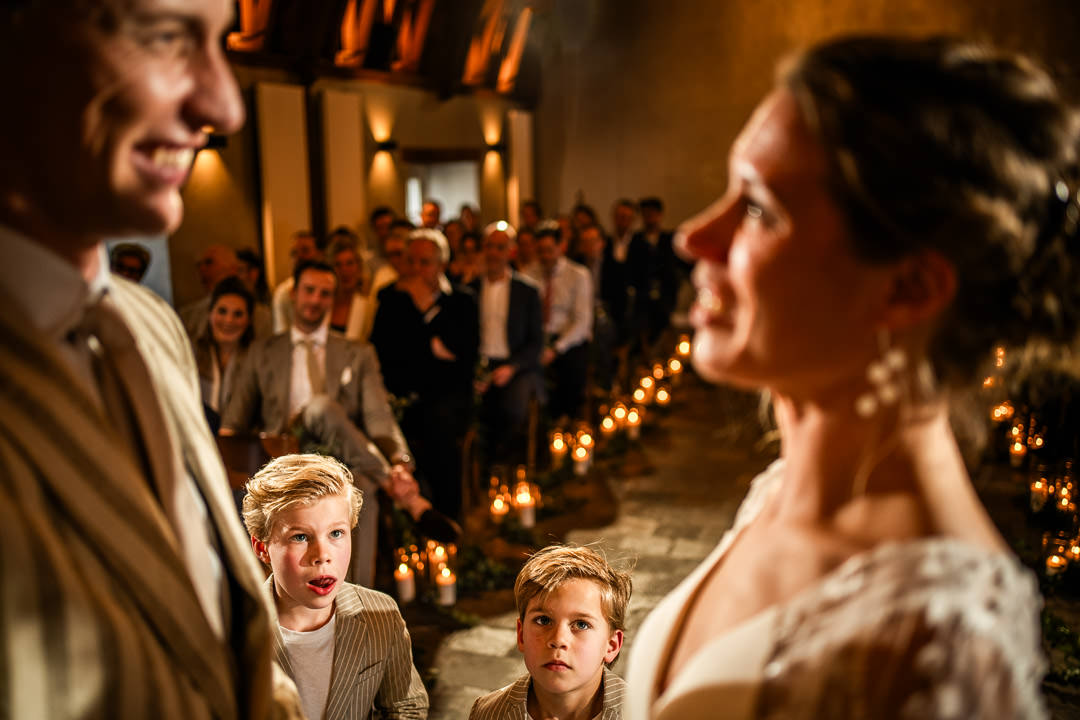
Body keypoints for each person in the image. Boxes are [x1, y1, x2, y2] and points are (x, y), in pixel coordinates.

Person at [626, 35, 1075, 719]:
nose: (695, 237)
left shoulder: (935, 647)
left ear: (908, 289)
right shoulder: (781, 490)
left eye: (758, 209)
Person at [0, 0, 301, 716]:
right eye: (166, 37)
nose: (224, 106)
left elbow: (224, 647)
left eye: (220, 42)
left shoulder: (147, 325)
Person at [222, 260, 435, 586]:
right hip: (284, 457)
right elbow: (234, 422)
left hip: (344, 458)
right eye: (309, 290)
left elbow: (379, 416)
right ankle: (402, 494)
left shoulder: (357, 352)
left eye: (325, 293)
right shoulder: (263, 352)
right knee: (320, 407)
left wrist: (400, 462)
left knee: (361, 485)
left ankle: (358, 606)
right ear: (294, 293)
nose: (315, 300)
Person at [243, 454, 429, 720]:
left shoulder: (382, 616)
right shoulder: (233, 631)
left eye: (336, 533)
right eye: (300, 536)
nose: (322, 555)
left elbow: (406, 707)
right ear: (262, 548)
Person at [371, 229, 479, 521]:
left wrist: (423, 312)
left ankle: (445, 518)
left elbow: (463, 357)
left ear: (442, 264)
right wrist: (433, 346)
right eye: (411, 261)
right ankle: (409, 523)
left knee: (438, 428)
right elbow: (387, 355)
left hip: (449, 397)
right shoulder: (391, 299)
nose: (417, 269)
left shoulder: (462, 301)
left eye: (425, 262)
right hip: (402, 396)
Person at [470, 545, 631, 720]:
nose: (558, 639)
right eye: (544, 620)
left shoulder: (646, 713)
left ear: (612, 645)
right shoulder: (487, 713)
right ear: (521, 633)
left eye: (581, 624)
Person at [473, 222, 545, 464]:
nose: (493, 253)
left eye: (500, 247)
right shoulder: (471, 289)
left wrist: (512, 367)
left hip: (515, 364)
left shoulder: (527, 291)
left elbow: (536, 342)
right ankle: (482, 467)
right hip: (480, 364)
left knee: (513, 409)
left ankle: (507, 466)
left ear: (510, 252)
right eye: (489, 247)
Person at [527, 226, 593, 423]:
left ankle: (564, 421)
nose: (545, 256)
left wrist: (556, 348)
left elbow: (582, 322)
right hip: (538, 336)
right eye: (540, 251)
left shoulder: (578, 274)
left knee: (572, 368)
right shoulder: (529, 274)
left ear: (560, 247)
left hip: (567, 339)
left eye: (549, 250)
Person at [193, 276, 256, 430]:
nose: (229, 320)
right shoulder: (190, 353)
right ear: (210, 314)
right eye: (222, 311)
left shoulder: (258, 358)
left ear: (248, 321)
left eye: (238, 314)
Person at [328, 231, 374, 342]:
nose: (344, 271)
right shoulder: (324, 303)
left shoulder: (368, 306)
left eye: (350, 263)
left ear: (359, 267)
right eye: (338, 265)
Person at [272, 230, 321, 333]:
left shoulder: (329, 286)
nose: (299, 257)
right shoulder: (283, 293)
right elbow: (281, 333)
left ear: (318, 253)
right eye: (294, 253)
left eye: (305, 251)